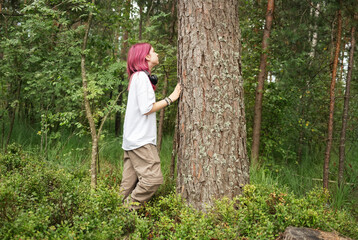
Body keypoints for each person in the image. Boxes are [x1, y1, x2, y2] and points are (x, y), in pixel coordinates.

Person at [120, 43, 181, 210]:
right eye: (154, 51)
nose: (157, 54)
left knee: (127, 186)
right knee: (153, 179)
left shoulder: (137, 77)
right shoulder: (141, 77)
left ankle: (115, 221)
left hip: (132, 140)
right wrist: (171, 98)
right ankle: (126, 210)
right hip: (141, 141)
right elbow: (146, 108)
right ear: (146, 57)